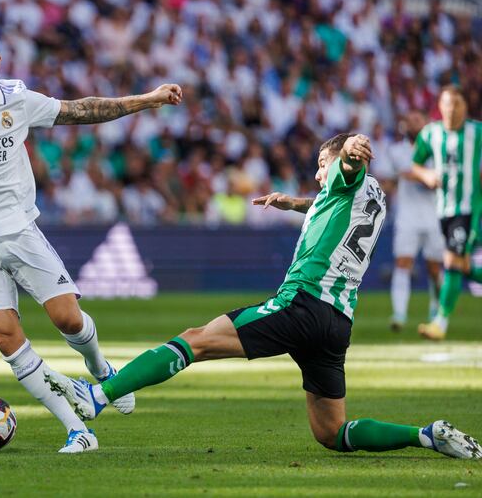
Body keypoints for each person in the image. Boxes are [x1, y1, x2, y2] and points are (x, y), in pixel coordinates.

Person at [45, 133, 481, 459]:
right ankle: (424, 434)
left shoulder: (349, 177)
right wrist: (293, 202)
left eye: (320, 164)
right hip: (336, 324)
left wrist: (350, 149)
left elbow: (347, 168)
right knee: (332, 433)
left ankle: (97, 397)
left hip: (302, 302)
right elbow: (328, 197)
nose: (317, 173)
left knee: (194, 339)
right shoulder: (372, 200)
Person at [0, 28, 183, 453]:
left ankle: (101, 369)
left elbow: (83, 110)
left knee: (68, 320)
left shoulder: (16, 99)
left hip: (20, 231)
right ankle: (79, 430)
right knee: (6, 336)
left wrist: (147, 99)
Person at [410, 86, 482, 341]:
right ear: (440, 107)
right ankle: (439, 322)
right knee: (459, 264)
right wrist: (426, 174)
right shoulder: (431, 134)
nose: (452, 109)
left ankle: (439, 322)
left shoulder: (477, 131)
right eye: (447, 104)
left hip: (468, 209)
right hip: (443, 211)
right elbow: (415, 163)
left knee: (451, 261)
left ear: (465, 106)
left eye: (457, 104)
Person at [387, 111, 444, 331]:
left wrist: (414, 174)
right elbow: (402, 175)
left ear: (426, 125)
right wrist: (424, 175)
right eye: (410, 121)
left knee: (434, 268)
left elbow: (434, 179)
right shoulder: (396, 150)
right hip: (407, 217)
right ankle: (399, 315)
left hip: (434, 215)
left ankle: (436, 311)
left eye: (417, 120)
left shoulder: (436, 149)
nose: (413, 124)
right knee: (402, 263)